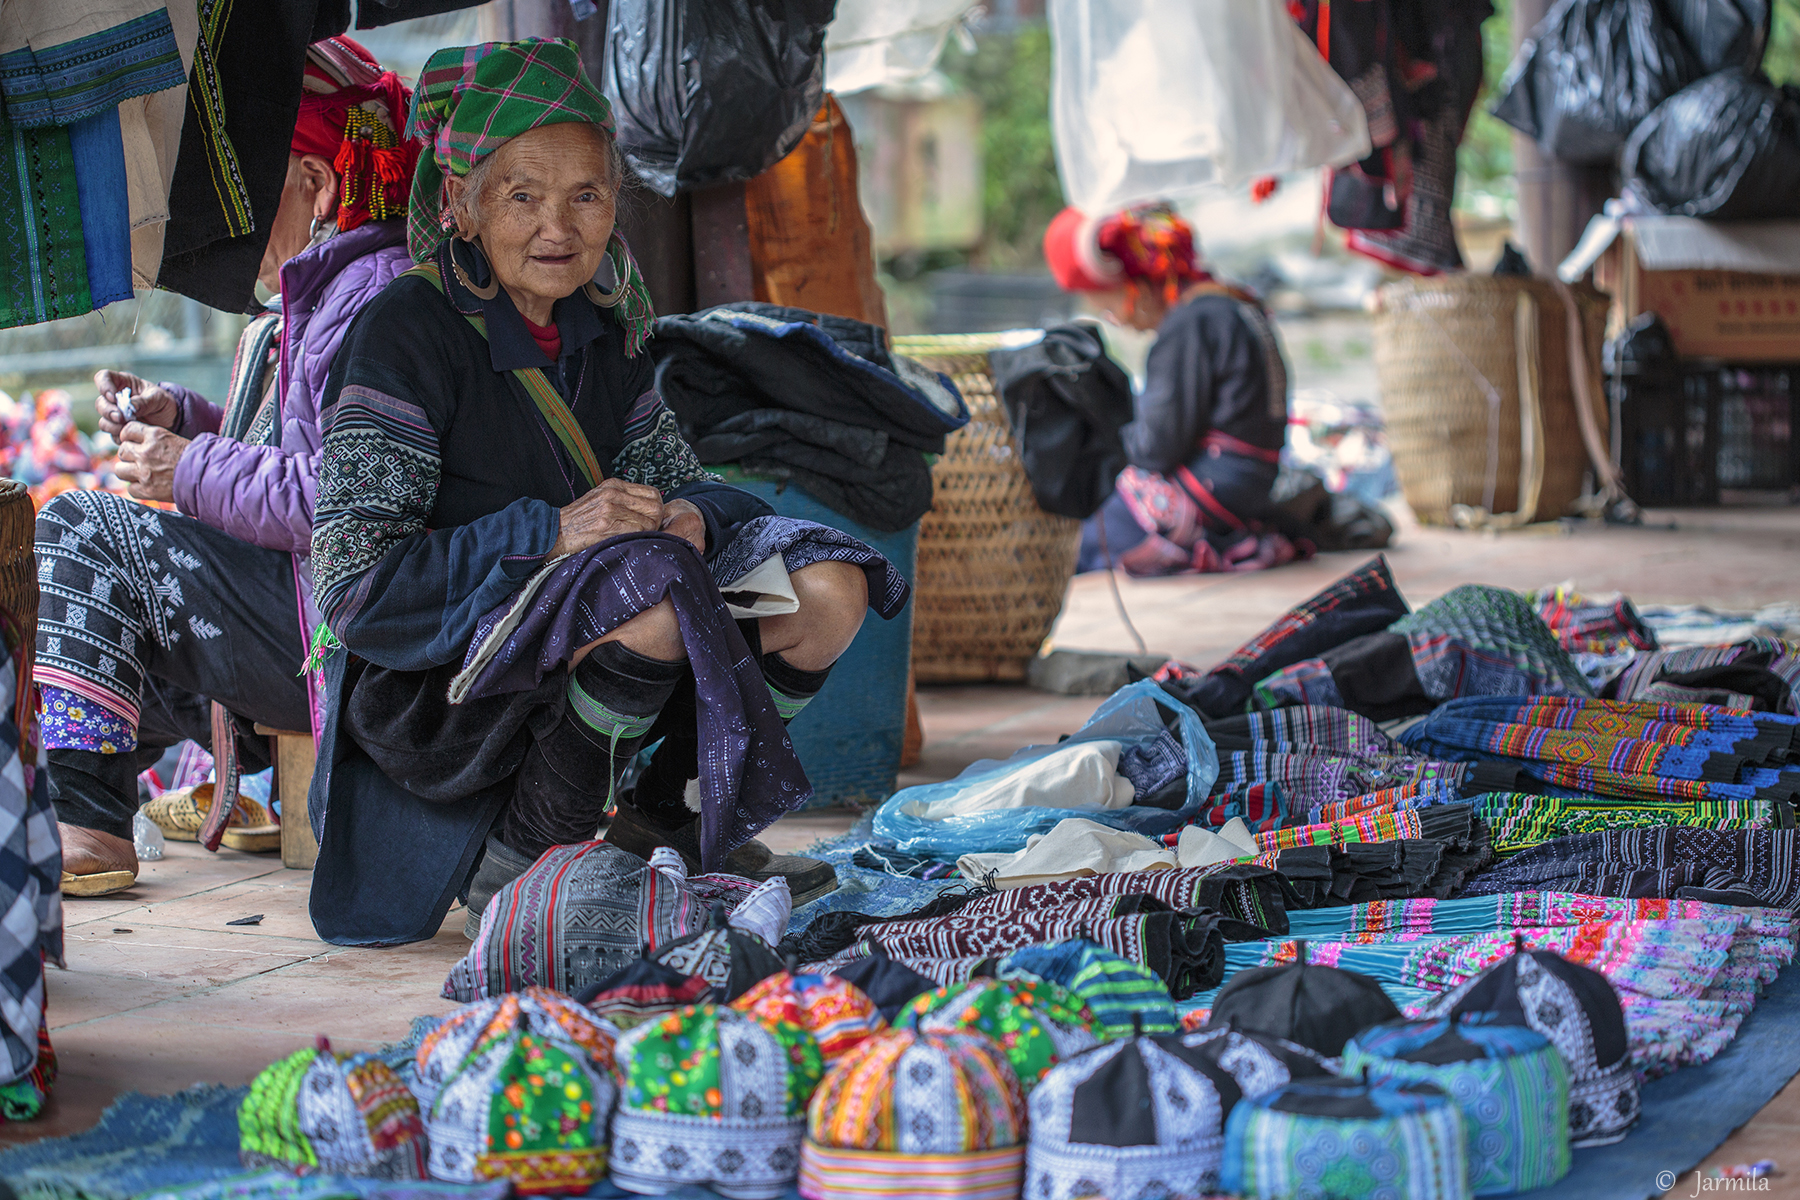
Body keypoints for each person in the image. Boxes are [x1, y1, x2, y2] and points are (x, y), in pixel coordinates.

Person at [306, 38, 889, 947]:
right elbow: (354, 585)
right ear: (461, 204)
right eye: (522, 195)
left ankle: (673, 819)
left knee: (823, 589)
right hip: (447, 685)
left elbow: (679, 479)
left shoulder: (603, 328)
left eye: (585, 195)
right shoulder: (406, 330)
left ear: (615, 204)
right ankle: (533, 857)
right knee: (652, 591)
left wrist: (698, 510)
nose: (558, 229)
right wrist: (553, 532)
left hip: (591, 619)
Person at [34, 37, 422, 897]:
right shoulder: (330, 295)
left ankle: (88, 822)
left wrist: (191, 468)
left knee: (74, 529)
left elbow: (348, 493)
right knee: (90, 612)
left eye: (248, 189)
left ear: (317, 187)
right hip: (309, 611)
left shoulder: (376, 302)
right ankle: (71, 803)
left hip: (341, 627)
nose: (225, 222)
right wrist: (187, 418)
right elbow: (302, 449)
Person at [1044, 203, 1305, 577]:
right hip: (1252, 483)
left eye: (1110, 306)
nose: (1117, 321)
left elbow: (1155, 449)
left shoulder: (1189, 324)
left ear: (1137, 285)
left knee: (1076, 535)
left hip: (1214, 488)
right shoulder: (1231, 302)